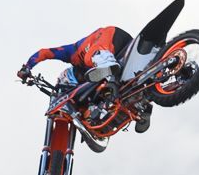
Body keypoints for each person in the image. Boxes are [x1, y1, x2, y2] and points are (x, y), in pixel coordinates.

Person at [17, 24, 151, 148]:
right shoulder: (95, 80)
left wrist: (27, 67)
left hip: (111, 36)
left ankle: (107, 64)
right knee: (125, 87)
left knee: (89, 58)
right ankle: (144, 106)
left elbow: (45, 52)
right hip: (124, 55)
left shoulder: (72, 52)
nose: (81, 80)